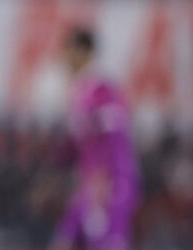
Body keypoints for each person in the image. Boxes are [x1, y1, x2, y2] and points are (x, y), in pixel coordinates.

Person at [51, 28, 139, 250]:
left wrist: (103, 179)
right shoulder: (79, 90)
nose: (64, 58)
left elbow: (115, 138)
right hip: (90, 184)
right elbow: (79, 143)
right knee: (64, 238)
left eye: (68, 51)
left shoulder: (102, 90)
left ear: (85, 52)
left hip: (111, 184)